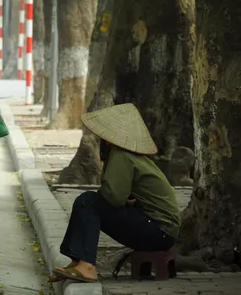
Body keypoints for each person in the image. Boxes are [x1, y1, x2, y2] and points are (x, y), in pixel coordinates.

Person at [50, 103, 180, 283]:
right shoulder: (134, 156)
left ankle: (86, 265)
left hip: (158, 231)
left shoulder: (122, 155)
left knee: (87, 202)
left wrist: (109, 190)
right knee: (88, 201)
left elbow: (114, 197)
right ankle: (78, 261)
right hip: (163, 231)